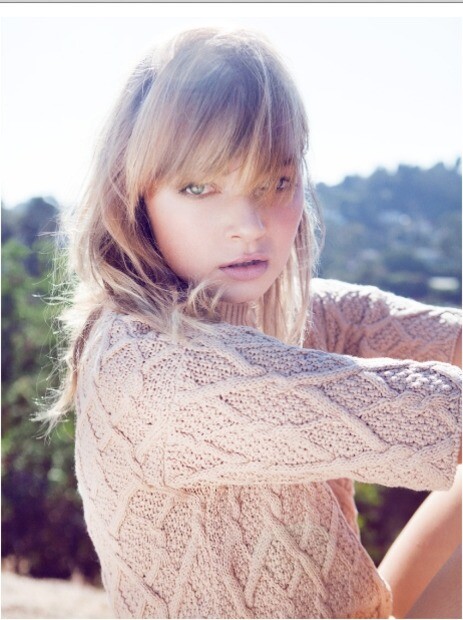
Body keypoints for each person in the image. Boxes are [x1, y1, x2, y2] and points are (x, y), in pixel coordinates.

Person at [45, 28, 462, 618]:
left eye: (275, 183)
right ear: (134, 196)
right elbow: (437, 413)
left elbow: (441, 336)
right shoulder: (145, 367)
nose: (249, 224)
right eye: (200, 187)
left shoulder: (290, 310)